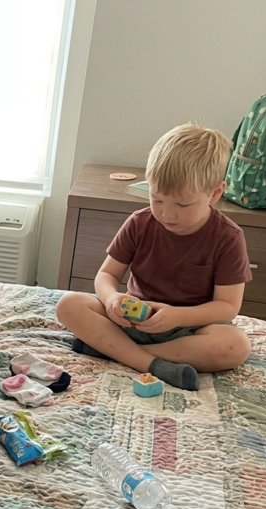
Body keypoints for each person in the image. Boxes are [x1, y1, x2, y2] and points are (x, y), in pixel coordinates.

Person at [55, 123, 252, 391]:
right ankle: (152, 363)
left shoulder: (228, 237)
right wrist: (111, 299)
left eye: (182, 204)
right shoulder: (139, 222)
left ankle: (115, 350)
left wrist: (177, 316)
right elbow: (107, 274)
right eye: (157, 199)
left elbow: (227, 306)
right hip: (132, 321)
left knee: (235, 346)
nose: (167, 214)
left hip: (188, 329)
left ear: (215, 193)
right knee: (68, 304)